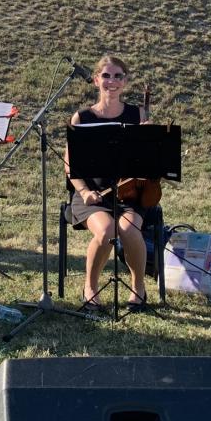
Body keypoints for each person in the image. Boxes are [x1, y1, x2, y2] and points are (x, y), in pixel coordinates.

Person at [65, 55, 151, 309]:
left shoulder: (138, 114)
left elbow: (150, 164)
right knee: (106, 231)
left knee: (129, 230)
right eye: (106, 76)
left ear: (125, 81)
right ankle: (90, 288)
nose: (111, 81)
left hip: (130, 193)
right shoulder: (81, 118)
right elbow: (70, 166)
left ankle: (138, 288)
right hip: (93, 193)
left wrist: (151, 141)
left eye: (117, 76)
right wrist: (84, 191)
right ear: (95, 80)